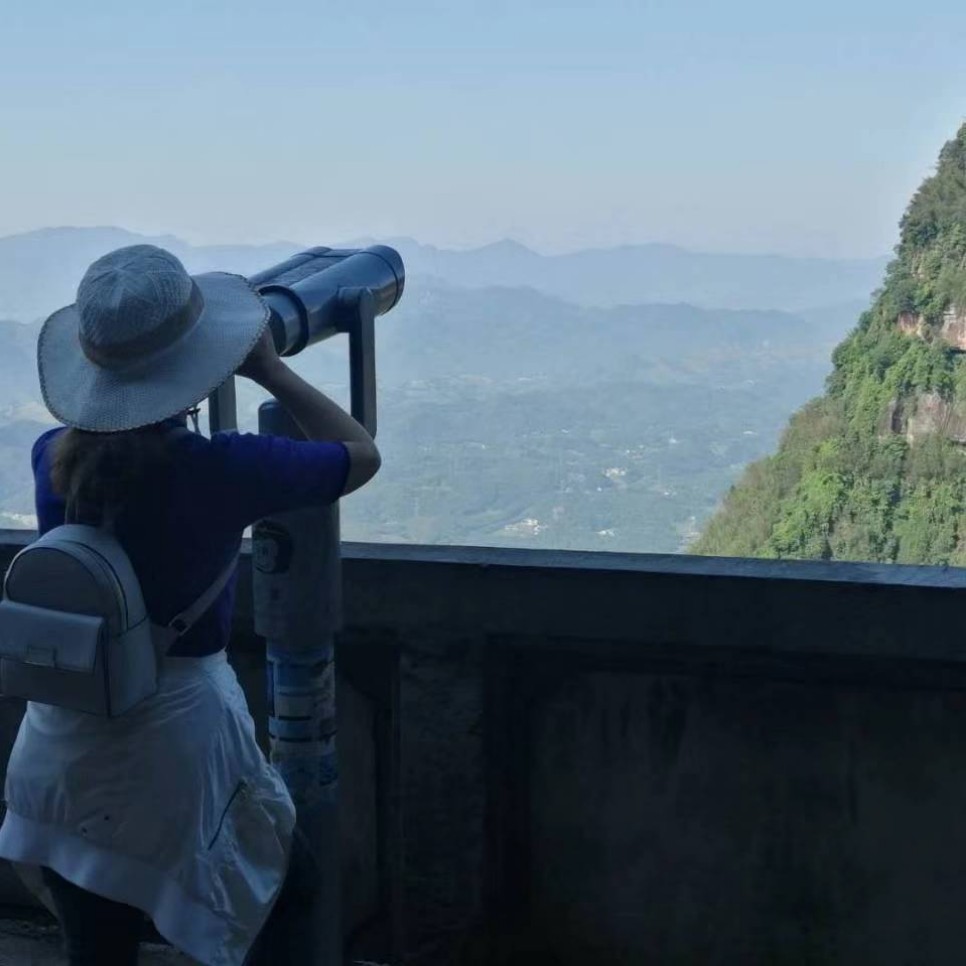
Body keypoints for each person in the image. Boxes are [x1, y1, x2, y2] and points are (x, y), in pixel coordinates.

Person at [0, 244, 381, 966]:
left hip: (61, 739)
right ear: (194, 364)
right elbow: (359, 454)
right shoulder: (219, 469)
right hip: (175, 745)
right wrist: (267, 368)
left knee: (96, 938)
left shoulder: (50, 458)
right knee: (284, 892)